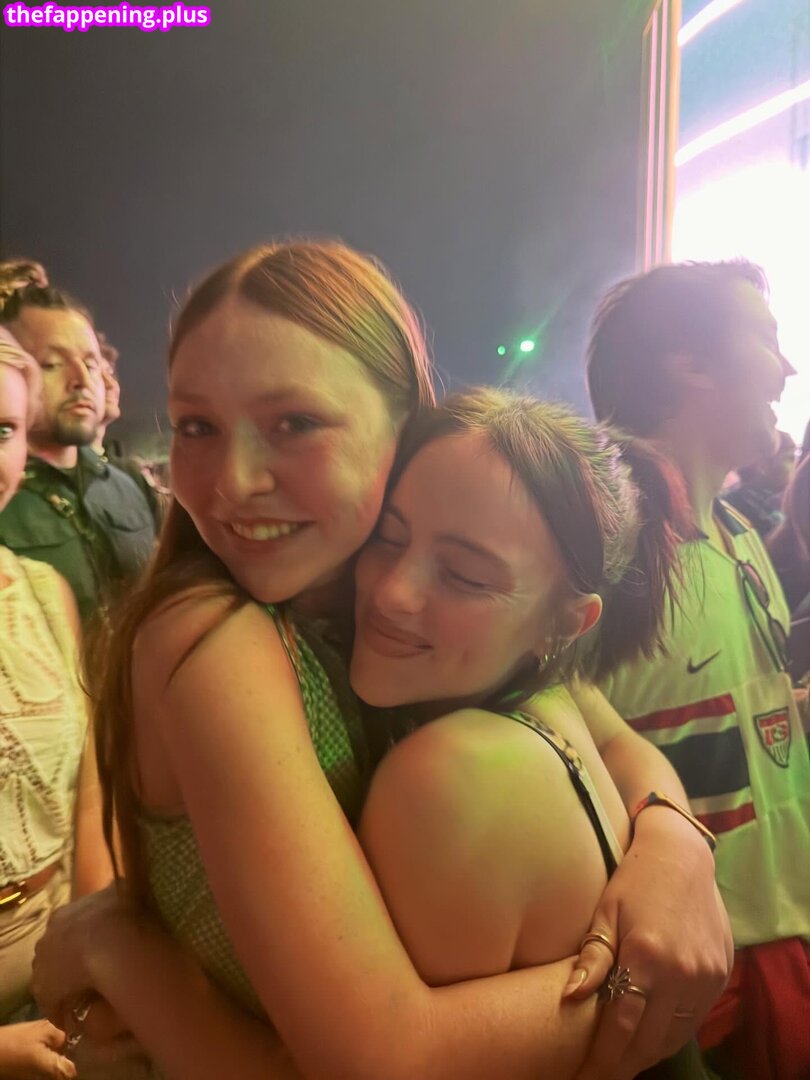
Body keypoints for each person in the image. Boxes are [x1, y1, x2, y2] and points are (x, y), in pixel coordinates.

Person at [32, 241, 728, 1080]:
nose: (234, 481)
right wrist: (643, 992)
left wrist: (676, 846)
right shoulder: (217, 637)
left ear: (404, 431)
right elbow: (382, 1056)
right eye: (197, 426)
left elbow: (606, 730)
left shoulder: (372, 590)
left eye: (294, 423)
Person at [351, 388, 727, 1079]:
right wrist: (675, 837)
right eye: (389, 536)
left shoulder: (452, 773)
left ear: (567, 623)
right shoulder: (552, 692)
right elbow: (624, 743)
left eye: (464, 576)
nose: (392, 592)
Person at [586, 259, 810, 1080]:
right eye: (768, 340)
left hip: (782, 930)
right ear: (691, 365)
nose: (788, 369)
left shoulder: (740, 535)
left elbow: (733, 713)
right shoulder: (603, 542)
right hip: (690, 979)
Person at [0, 328, 112, 1079]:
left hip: (56, 983)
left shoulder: (43, 591)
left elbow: (86, 791)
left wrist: (95, 964)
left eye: (3, 429)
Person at [0, 286, 156, 624]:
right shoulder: (5, 497)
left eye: (91, 363)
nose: (82, 380)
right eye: (52, 364)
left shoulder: (129, 483)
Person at [723, 429, 796, 538]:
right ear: (762, 465)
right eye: (790, 458)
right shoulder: (761, 514)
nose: (796, 466)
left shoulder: (731, 500)